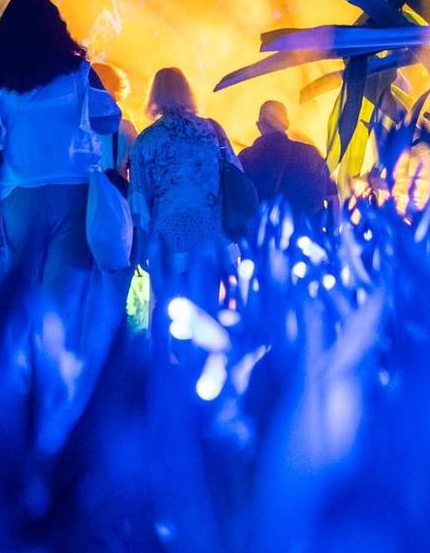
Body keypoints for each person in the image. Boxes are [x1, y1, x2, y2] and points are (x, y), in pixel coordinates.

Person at [0, 0, 122, 454]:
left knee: (24, 303)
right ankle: (65, 414)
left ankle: (22, 408)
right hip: (75, 197)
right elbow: (110, 118)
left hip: (18, 198)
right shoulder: (79, 73)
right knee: (66, 308)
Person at [128, 68, 243, 364]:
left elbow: (139, 198)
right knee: (206, 304)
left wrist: (140, 245)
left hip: (169, 240)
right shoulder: (211, 131)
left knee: (167, 307)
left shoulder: (146, 141)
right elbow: (236, 174)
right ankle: (205, 370)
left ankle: (165, 373)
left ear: (155, 96)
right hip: (211, 236)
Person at [238, 100, 338, 231]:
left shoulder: (245, 158)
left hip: (265, 244)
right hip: (310, 240)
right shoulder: (310, 154)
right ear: (287, 123)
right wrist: (332, 234)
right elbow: (333, 198)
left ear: (259, 125)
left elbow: (236, 205)